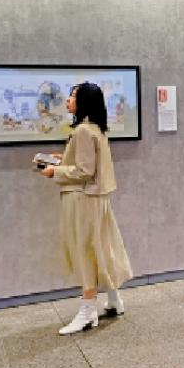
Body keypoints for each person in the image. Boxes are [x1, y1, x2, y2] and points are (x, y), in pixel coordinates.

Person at [39, 82, 133, 335]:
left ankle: (88, 309)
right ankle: (113, 300)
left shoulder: (83, 131)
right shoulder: (96, 128)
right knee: (101, 247)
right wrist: (62, 160)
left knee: (85, 251)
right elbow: (88, 164)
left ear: (84, 101)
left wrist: (54, 171)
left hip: (83, 200)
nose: (68, 100)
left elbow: (84, 171)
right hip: (96, 199)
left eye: (73, 96)